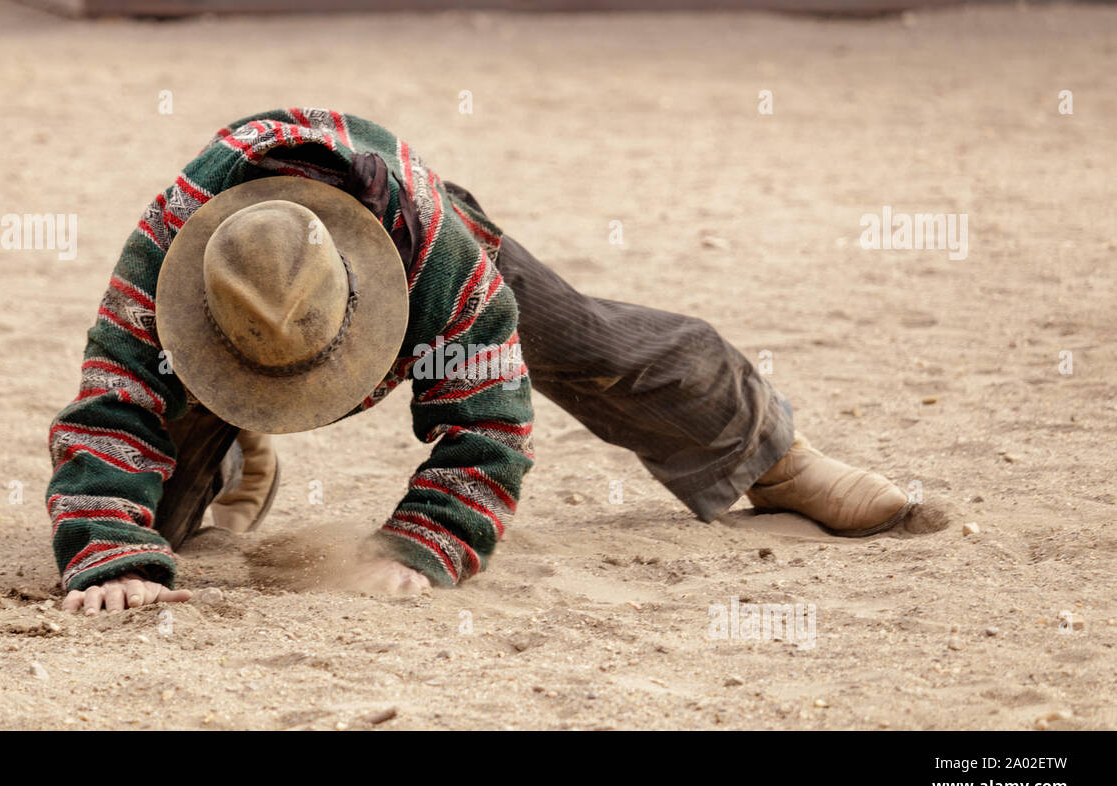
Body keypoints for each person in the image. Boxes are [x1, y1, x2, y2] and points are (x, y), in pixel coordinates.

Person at [49, 108, 909, 615]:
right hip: (213, 342)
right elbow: (110, 410)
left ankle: (775, 457)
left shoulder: (438, 254)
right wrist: (113, 554)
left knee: (602, 348)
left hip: (431, 246)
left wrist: (426, 542)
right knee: (151, 524)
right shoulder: (168, 255)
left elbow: (488, 421)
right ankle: (241, 452)